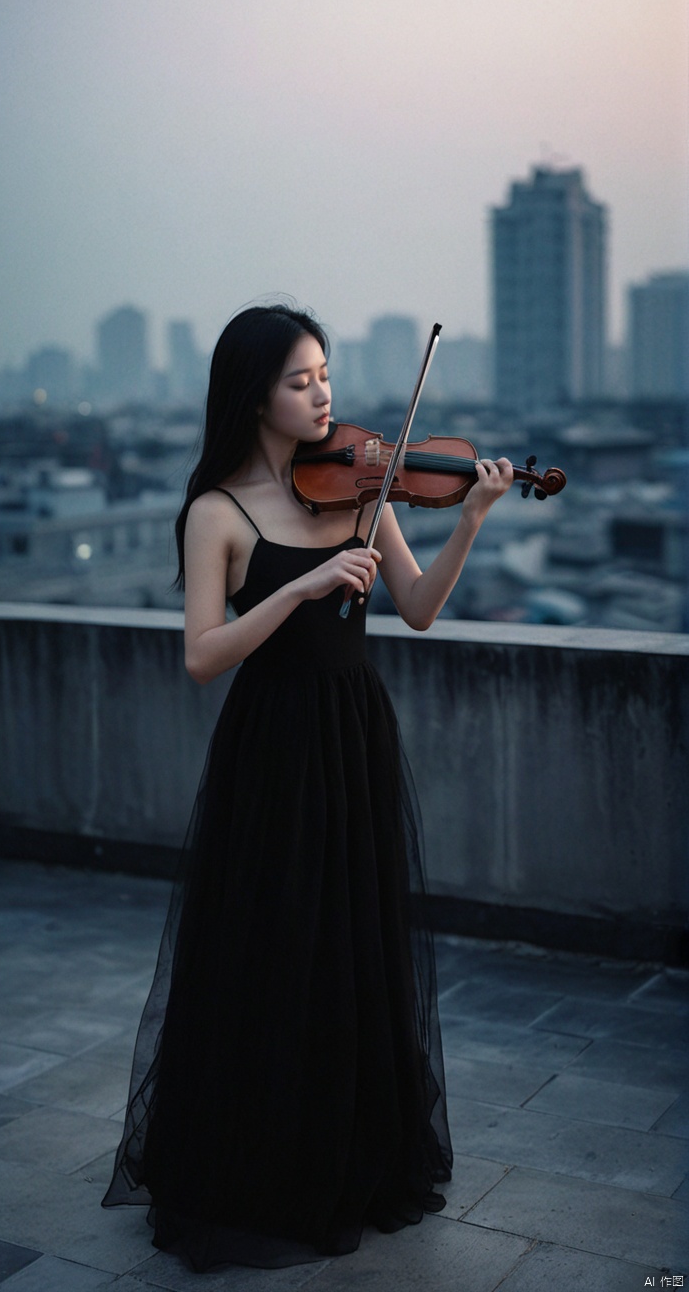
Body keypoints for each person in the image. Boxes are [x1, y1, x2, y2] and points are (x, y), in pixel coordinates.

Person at [102, 303, 513, 1272]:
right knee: (273, 945)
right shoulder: (216, 511)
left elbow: (414, 610)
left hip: (353, 735)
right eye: (300, 378)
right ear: (253, 394)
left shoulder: (360, 487)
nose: (323, 392)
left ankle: (352, 1159)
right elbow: (203, 656)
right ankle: (264, 1165)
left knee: (351, 945)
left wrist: (474, 522)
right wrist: (295, 588)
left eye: (324, 373)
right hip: (273, 744)